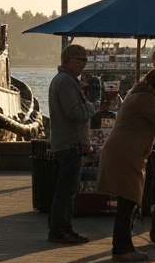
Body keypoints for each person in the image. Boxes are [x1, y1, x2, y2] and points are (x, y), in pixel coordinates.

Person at [96, 68, 155, 262]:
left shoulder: (136, 95)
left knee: (127, 200)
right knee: (128, 201)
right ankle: (123, 248)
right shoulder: (145, 100)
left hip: (122, 152)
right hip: (126, 154)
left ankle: (123, 246)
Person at [47, 44, 110, 244]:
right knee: (67, 189)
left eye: (85, 59)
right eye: (80, 59)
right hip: (70, 142)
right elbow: (74, 111)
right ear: (67, 60)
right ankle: (59, 229)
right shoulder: (66, 81)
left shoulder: (65, 80)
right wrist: (92, 107)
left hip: (68, 141)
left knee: (67, 189)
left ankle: (63, 227)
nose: (84, 63)